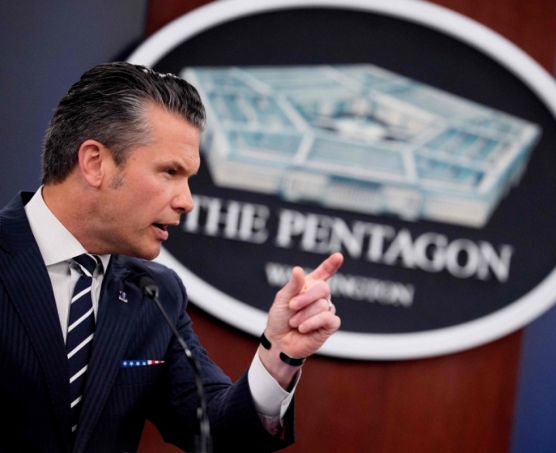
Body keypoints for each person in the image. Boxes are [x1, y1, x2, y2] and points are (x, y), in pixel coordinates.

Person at [0, 62, 342, 453]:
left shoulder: (156, 294)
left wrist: (280, 355)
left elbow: (215, 432)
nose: (186, 201)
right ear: (95, 163)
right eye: (169, 172)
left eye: (188, 178)